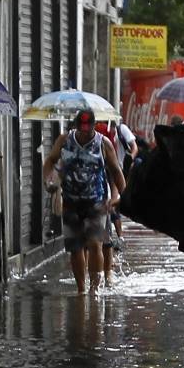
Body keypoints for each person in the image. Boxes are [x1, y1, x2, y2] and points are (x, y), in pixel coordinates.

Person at [43, 109, 126, 294]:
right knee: (76, 248)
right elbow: (50, 161)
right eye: (82, 130)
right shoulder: (64, 141)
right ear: (76, 126)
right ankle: (81, 289)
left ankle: (94, 290)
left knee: (95, 244)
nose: (85, 134)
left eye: (88, 130)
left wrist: (123, 198)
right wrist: (48, 181)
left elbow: (116, 172)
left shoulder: (103, 144)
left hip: (96, 202)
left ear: (95, 127)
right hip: (70, 202)